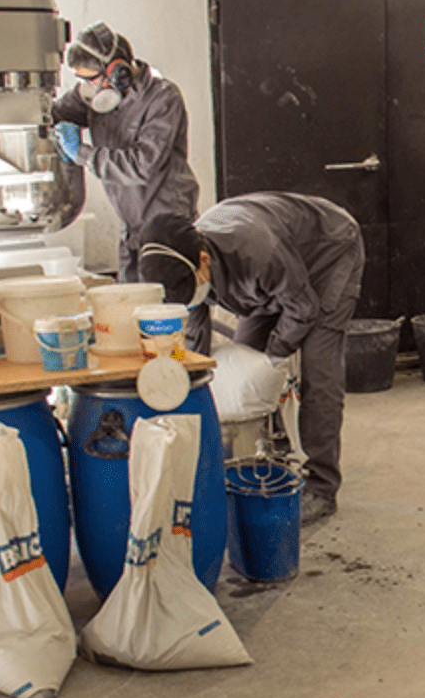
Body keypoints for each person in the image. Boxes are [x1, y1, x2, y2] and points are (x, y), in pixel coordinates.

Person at [136, 193, 365, 525]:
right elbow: (196, 336)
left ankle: (321, 486)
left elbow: (303, 309)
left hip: (328, 253)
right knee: (245, 369)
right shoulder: (182, 265)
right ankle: (274, 458)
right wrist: (188, 378)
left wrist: (275, 357)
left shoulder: (257, 250)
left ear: (203, 261)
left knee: (318, 372)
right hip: (275, 274)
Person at [53, 23, 200, 282]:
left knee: (172, 309)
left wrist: (82, 153)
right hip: (130, 228)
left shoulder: (163, 98)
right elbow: (56, 113)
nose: (87, 88)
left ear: (117, 72)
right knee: (131, 309)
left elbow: (143, 166)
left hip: (167, 226)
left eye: (91, 79)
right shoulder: (93, 93)